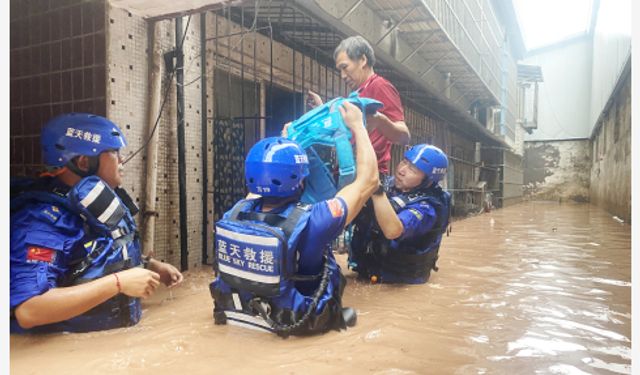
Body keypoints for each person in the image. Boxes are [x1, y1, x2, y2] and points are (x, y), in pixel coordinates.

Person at [210, 101, 378, 337]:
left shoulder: (234, 212)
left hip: (238, 319)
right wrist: (358, 126)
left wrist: (287, 144)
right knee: (349, 320)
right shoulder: (317, 220)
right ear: (300, 181)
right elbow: (369, 180)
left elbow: (264, 184)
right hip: (292, 324)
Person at [10, 113, 183, 333]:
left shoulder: (96, 202)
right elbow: (30, 310)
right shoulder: (42, 221)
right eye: (114, 153)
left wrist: (149, 265)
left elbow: (93, 256)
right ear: (84, 162)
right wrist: (118, 283)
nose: (122, 161)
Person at [307, 35, 410, 175]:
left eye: (345, 67)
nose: (342, 75)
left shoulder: (380, 86)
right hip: (351, 172)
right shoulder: (359, 93)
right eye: (340, 70)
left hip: (368, 176)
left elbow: (404, 136)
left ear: (362, 60)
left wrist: (380, 121)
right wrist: (321, 108)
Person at [349, 144, 451, 284]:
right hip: (368, 273)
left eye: (413, 169)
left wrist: (376, 191)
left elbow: (393, 231)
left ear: (427, 181)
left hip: (399, 282)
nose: (402, 170)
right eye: (404, 162)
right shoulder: (391, 184)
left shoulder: (427, 208)